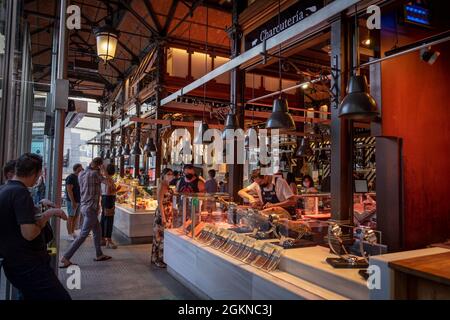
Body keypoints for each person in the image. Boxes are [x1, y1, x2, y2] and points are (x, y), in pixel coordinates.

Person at [0, 153, 71, 300]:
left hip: (16, 264)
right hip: (29, 266)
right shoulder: (20, 192)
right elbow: (29, 233)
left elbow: (16, 219)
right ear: (36, 173)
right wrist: (49, 213)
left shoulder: (6, 189)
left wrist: (38, 207)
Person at [60, 157, 111, 268]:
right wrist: (104, 171)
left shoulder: (81, 174)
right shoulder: (95, 174)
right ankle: (66, 257)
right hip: (91, 208)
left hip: (84, 206)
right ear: (99, 165)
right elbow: (109, 183)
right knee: (83, 235)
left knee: (98, 231)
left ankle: (99, 254)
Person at [151, 168, 174, 268]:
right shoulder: (162, 185)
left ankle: (160, 258)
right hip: (162, 212)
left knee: (163, 237)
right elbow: (159, 202)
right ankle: (158, 259)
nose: (170, 175)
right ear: (163, 175)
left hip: (167, 212)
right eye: (168, 174)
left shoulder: (167, 184)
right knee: (159, 237)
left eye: (171, 174)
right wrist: (163, 217)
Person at [101, 164, 118, 249]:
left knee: (104, 218)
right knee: (109, 220)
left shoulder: (104, 178)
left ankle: (102, 238)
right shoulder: (109, 180)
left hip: (104, 199)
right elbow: (108, 191)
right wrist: (117, 189)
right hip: (109, 199)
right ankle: (109, 240)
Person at [65, 163, 83, 241]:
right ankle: (69, 234)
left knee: (75, 217)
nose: (82, 169)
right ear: (76, 169)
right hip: (72, 201)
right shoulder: (71, 177)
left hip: (78, 200)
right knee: (71, 217)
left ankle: (72, 232)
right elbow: (69, 190)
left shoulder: (78, 177)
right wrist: (72, 201)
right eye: (80, 168)